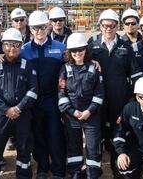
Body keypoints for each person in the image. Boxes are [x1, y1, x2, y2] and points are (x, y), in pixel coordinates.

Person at [88, 9, 142, 178]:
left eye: (111, 26)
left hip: (119, 99)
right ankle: (94, 171)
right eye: (104, 26)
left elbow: (135, 73)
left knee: (117, 133)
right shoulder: (92, 44)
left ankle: (116, 169)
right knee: (96, 134)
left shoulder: (125, 47)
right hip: (97, 99)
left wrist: (136, 96)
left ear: (117, 26)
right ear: (100, 26)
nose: (108, 29)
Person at [0, 28, 38, 179]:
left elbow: (33, 90)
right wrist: (6, 109)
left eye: (16, 44)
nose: (12, 48)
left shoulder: (28, 66)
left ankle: (23, 176)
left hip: (22, 114)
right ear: (2, 46)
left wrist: (19, 108)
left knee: (23, 149)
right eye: (8, 44)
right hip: (0, 116)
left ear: (21, 46)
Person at [21, 10, 66, 179]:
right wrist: (0, 57)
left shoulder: (60, 48)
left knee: (55, 135)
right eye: (34, 28)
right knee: (38, 136)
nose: (38, 31)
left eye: (41, 27)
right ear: (30, 29)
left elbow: (75, 64)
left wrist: (93, 61)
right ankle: (42, 168)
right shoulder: (24, 50)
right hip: (33, 102)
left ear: (48, 26)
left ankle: (59, 170)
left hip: (53, 100)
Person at [58, 33, 104, 179]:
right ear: (69, 53)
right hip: (72, 116)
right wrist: (73, 112)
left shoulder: (94, 68)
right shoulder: (64, 69)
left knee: (93, 146)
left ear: (86, 50)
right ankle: (75, 172)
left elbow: (99, 93)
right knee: (73, 146)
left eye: (80, 49)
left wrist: (89, 111)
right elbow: (61, 94)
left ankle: (93, 173)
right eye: (74, 50)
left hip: (91, 115)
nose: (77, 53)